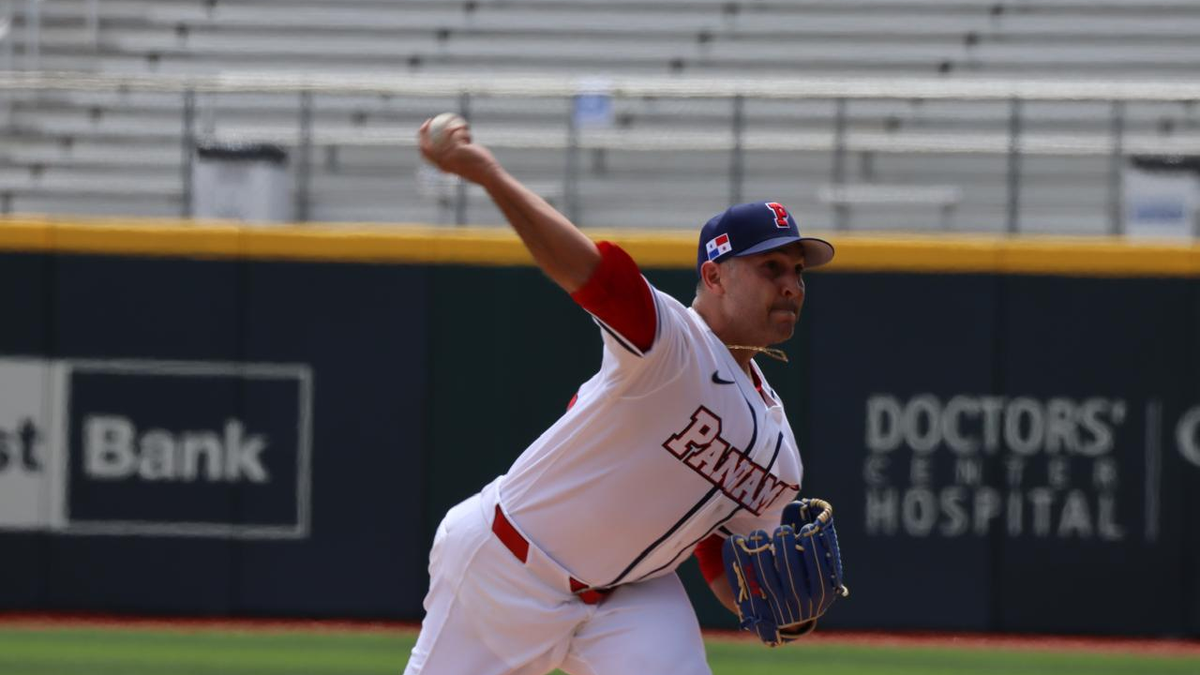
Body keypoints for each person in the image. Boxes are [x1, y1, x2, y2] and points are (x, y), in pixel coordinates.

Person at [405, 116, 835, 675]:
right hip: (504, 567)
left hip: (631, 598)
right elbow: (592, 274)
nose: (792, 285)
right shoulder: (671, 342)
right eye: (771, 266)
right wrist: (488, 175)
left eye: (799, 272)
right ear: (715, 276)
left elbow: (716, 552)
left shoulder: (779, 449)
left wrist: (782, 608)